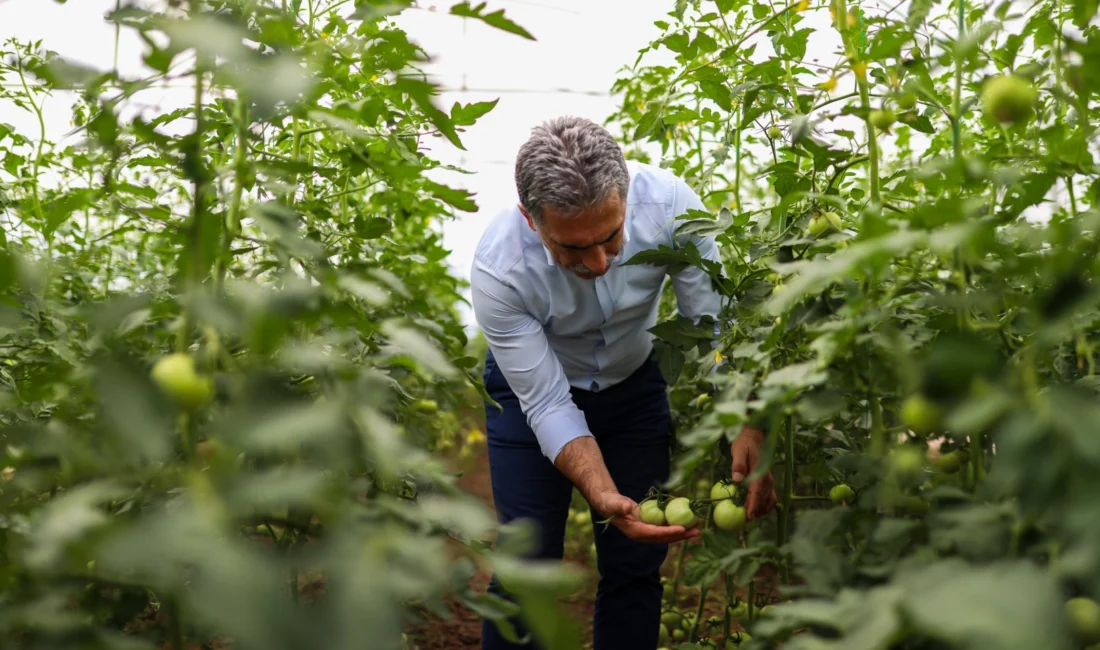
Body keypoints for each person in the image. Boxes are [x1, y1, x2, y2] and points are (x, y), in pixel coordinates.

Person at [469, 115, 778, 650]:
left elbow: (712, 329)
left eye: (611, 237)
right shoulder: (500, 269)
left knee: (636, 564)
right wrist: (600, 489)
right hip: (530, 401)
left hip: (634, 387)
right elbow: (545, 401)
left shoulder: (673, 208)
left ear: (626, 194)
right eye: (571, 249)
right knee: (526, 565)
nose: (598, 262)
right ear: (530, 218)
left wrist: (746, 422)